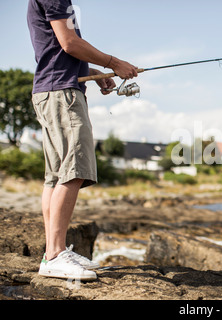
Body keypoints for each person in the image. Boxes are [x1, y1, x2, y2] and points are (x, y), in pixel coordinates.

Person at [27, 0, 137, 280]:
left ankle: (54, 251)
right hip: (61, 93)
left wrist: (94, 74)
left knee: (55, 176)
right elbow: (69, 43)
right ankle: (54, 255)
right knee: (73, 171)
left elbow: (60, 48)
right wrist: (113, 63)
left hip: (53, 89)